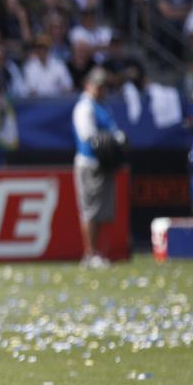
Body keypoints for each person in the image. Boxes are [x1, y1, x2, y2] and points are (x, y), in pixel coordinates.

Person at [71, 67, 124, 269]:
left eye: (104, 86)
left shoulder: (101, 106)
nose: (102, 89)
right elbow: (89, 136)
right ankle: (90, 253)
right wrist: (112, 141)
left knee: (101, 211)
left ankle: (96, 252)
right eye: (99, 85)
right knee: (91, 210)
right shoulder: (85, 107)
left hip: (102, 164)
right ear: (88, 84)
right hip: (90, 163)